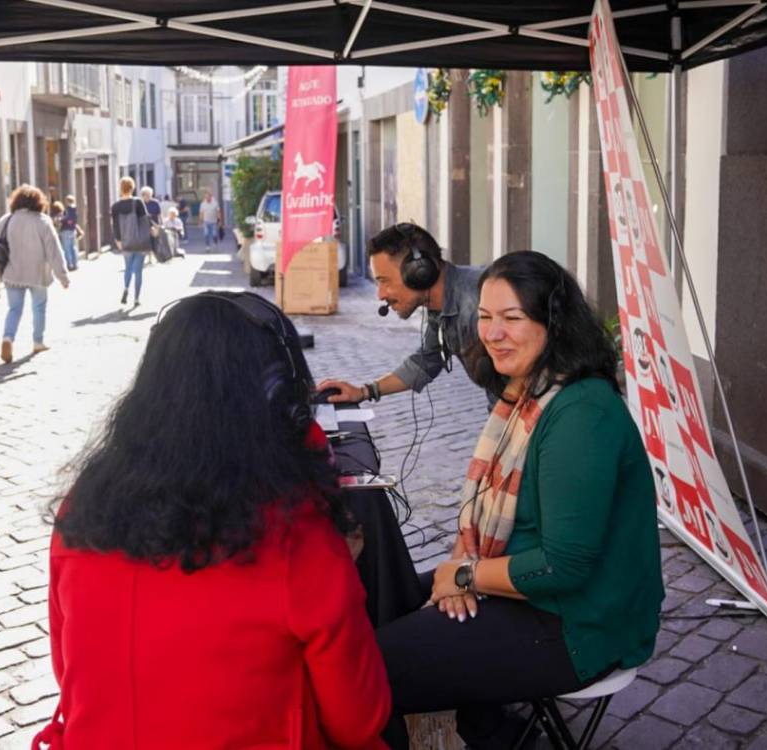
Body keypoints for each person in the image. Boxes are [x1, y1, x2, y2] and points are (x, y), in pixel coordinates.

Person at [32, 291, 391, 749]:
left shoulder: (82, 506)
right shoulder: (297, 534)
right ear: (278, 397)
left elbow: (70, 672)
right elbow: (359, 719)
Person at [375, 251, 664, 749]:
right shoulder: (528, 389)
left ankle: (483, 724)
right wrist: (465, 567)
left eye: (512, 318)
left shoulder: (581, 413)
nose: (492, 333)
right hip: (523, 584)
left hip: (580, 622)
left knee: (366, 670)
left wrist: (465, 574)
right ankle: (493, 730)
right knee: (385, 596)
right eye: (485, 317)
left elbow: (565, 568)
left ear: (553, 322)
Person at [317, 223, 486, 406]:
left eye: (385, 281)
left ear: (419, 272)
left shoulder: (478, 302)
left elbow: (516, 384)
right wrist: (364, 392)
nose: (380, 295)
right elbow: (424, 362)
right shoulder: (441, 305)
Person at [0, 185, 69, 364]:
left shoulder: (7, 219)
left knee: (14, 309)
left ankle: (7, 339)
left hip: (12, 272)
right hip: (38, 274)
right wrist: (62, 276)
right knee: (39, 307)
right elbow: (54, 251)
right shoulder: (43, 221)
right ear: (38, 202)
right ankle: (38, 342)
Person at [110, 177, 152, 306]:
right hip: (140, 242)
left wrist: (118, 240)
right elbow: (145, 221)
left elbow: (115, 225)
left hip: (125, 241)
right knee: (138, 271)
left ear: (120, 188)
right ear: (132, 188)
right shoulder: (138, 202)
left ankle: (126, 288)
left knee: (128, 268)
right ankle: (136, 299)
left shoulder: (115, 206)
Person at [59, 195, 81, 271]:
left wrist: (61, 219)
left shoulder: (68, 209)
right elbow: (74, 220)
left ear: (67, 201)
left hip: (66, 230)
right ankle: (75, 263)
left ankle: (70, 264)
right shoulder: (75, 209)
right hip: (72, 230)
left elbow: (67, 218)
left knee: (67, 248)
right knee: (73, 247)